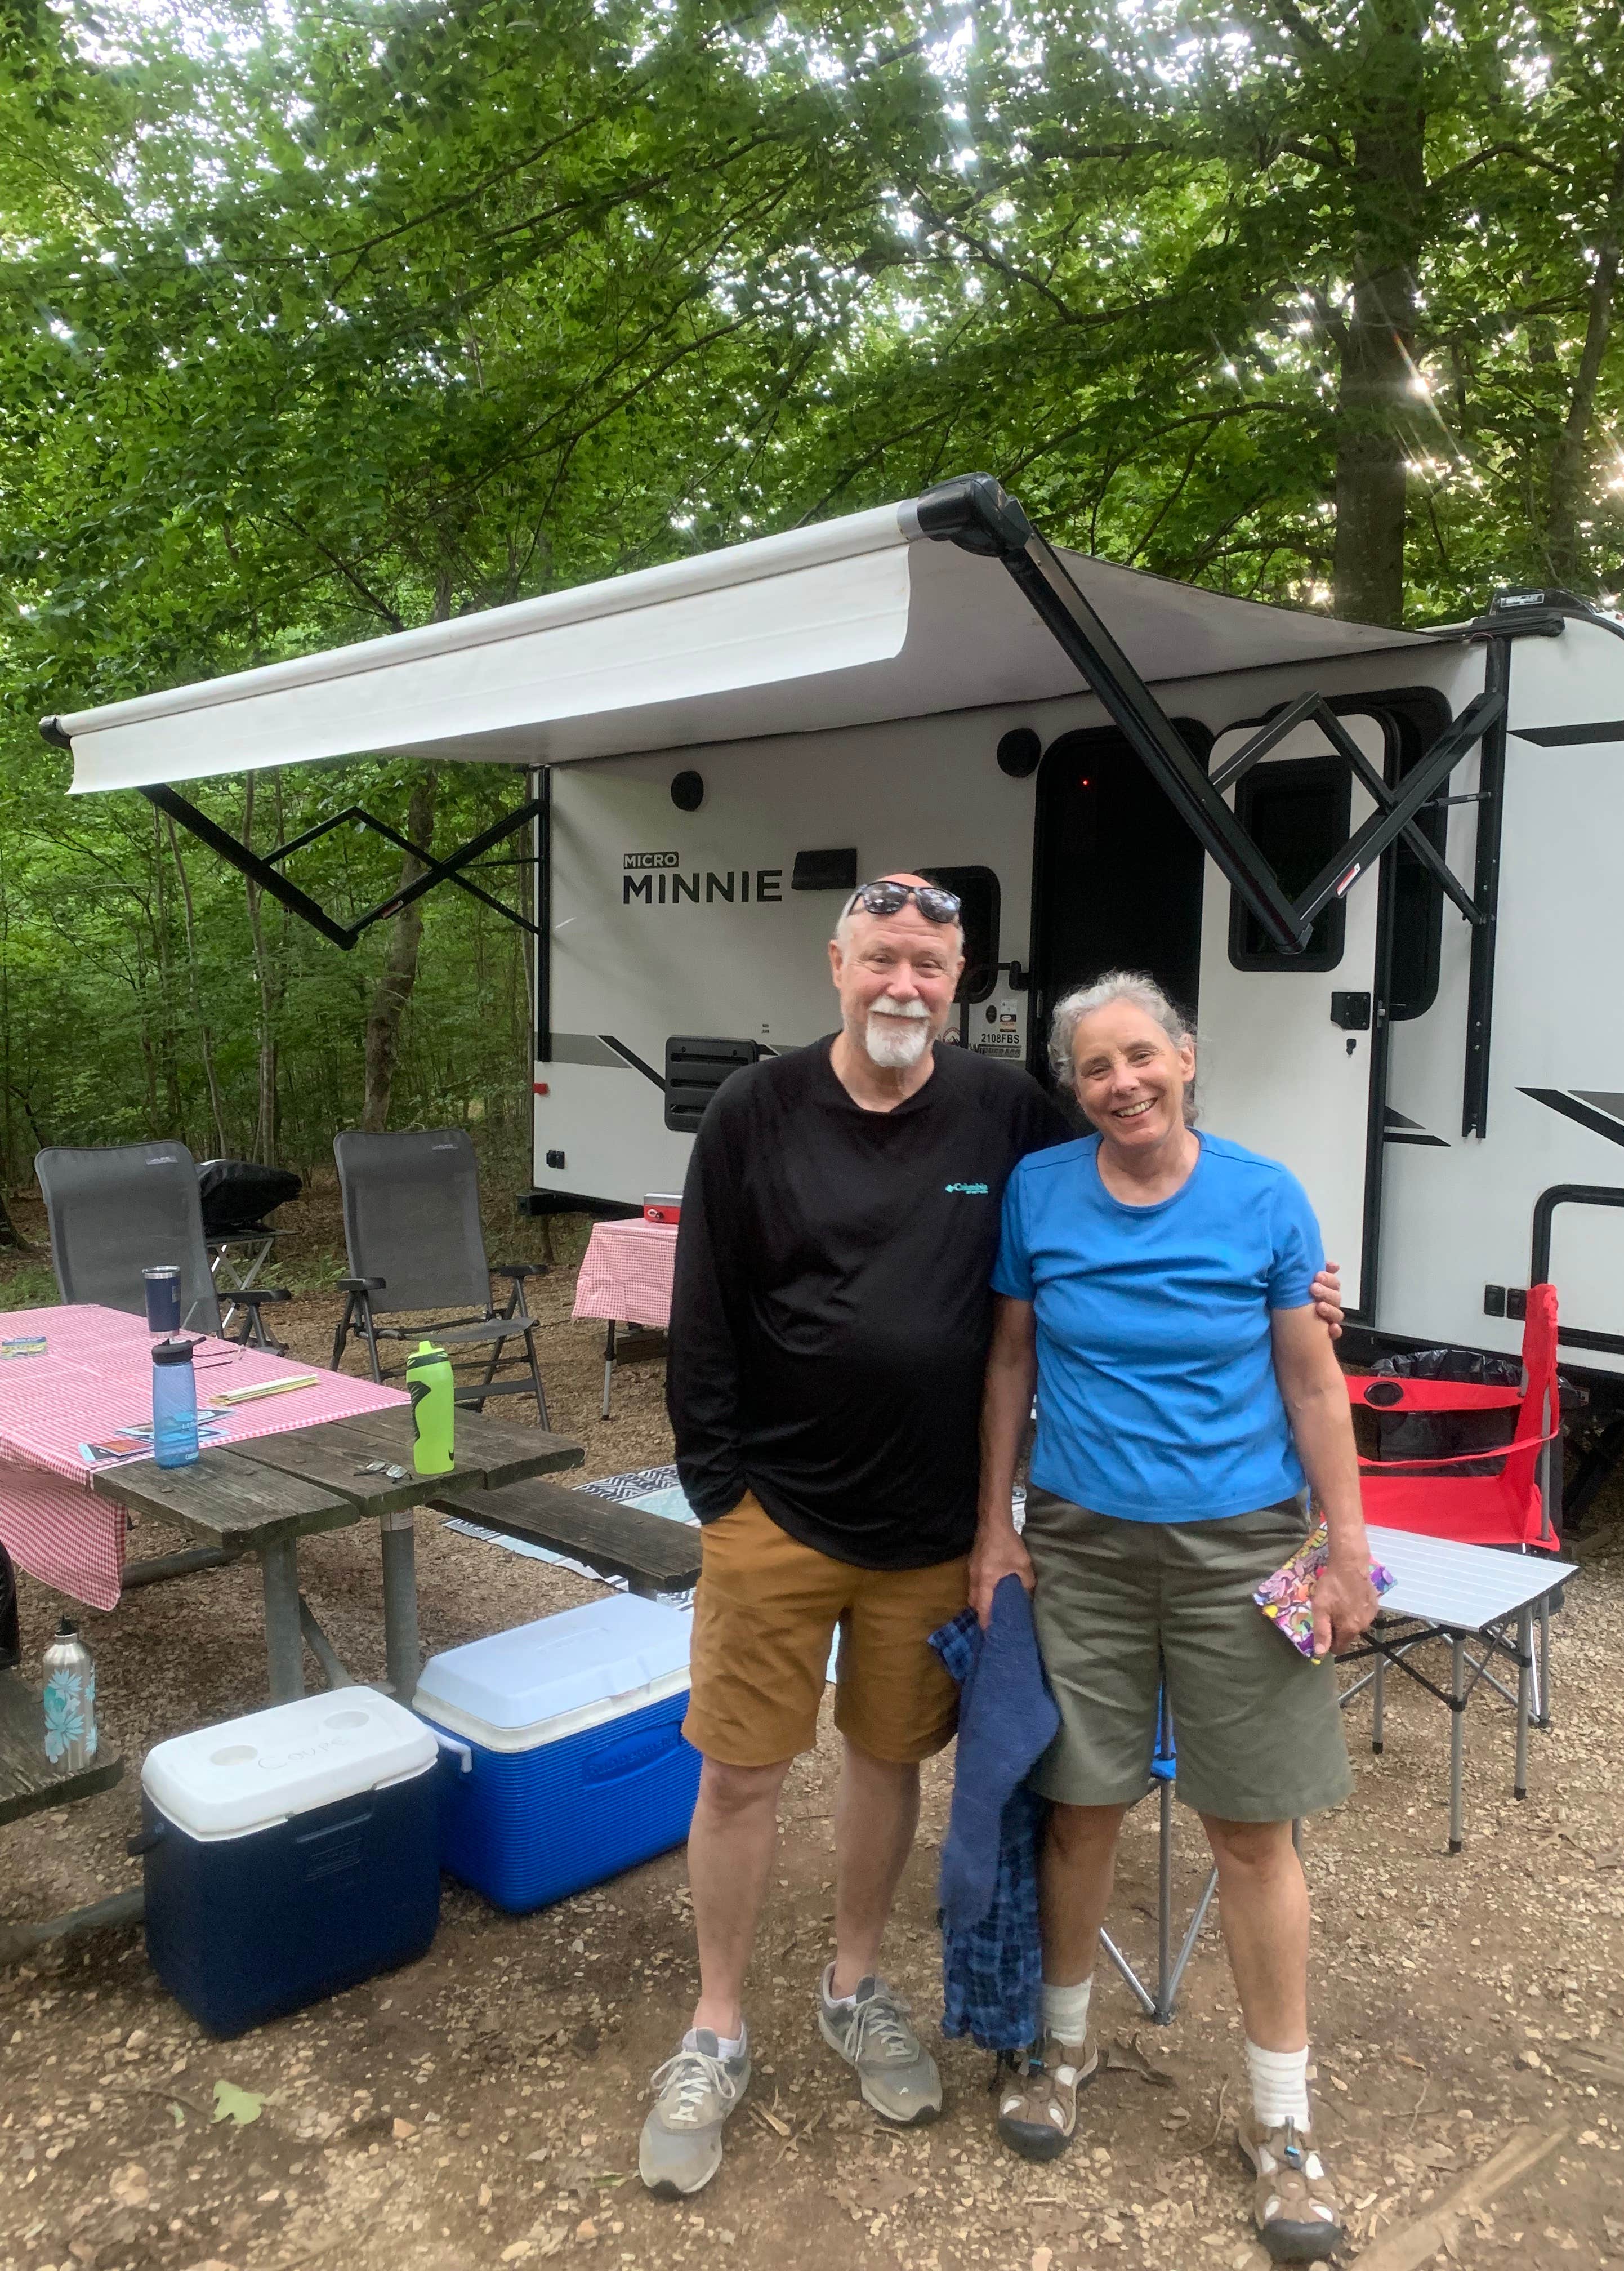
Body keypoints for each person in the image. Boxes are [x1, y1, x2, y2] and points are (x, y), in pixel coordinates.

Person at [642, 887, 1345, 2202]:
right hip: (778, 1519)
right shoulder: (756, 1112)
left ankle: (856, 1987)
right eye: (881, 960)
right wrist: (715, 1491)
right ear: (838, 967)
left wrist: (1290, 1268)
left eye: (930, 962)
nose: (904, 984)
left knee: (887, 1762)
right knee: (740, 1772)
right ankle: (717, 2026)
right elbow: (703, 1311)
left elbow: (1154, 1150)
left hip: (933, 1535)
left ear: (960, 979)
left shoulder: (1005, 1114)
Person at [971, 970, 1379, 2265]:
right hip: (1082, 1547)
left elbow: (1314, 1386)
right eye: (1095, 1068)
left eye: (1141, 1056)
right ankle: (1062, 2050)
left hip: (1241, 1549)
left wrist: (1349, 1545)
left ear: (1187, 1059)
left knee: (1253, 1830)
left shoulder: (1263, 1196)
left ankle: (1281, 2126)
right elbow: (1012, 1362)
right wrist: (997, 1531)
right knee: (1081, 1805)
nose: (1122, 1084)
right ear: (1074, 1086)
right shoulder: (1041, 1193)